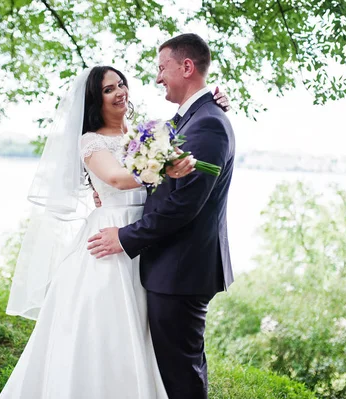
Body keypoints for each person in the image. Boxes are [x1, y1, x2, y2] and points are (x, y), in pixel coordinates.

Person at [0, 65, 230, 398]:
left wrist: (215, 100)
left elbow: (189, 124)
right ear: (96, 100)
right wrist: (163, 165)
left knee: (146, 331)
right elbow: (118, 179)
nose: (119, 92)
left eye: (121, 84)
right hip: (109, 238)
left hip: (146, 239)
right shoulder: (90, 142)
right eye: (109, 89)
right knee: (105, 328)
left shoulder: (143, 134)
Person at [87, 34, 235, 399]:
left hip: (180, 268)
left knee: (180, 371)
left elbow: (184, 204)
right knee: (167, 363)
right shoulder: (192, 119)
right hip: (167, 264)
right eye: (110, 89)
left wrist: (124, 237)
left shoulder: (208, 124)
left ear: (186, 67)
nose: (156, 79)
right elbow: (155, 156)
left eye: (161, 68)